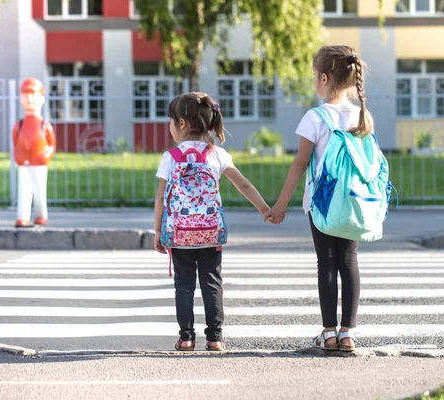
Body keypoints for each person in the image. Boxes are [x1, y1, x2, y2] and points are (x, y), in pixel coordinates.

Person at [264, 45, 375, 352]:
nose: (314, 80)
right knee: (349, 261)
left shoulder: (316, 117)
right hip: (353, 202)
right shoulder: (362, 116)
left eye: (315, 75)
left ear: (325, 78)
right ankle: (348, 333)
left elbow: (300, 164)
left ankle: (328, 333)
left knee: (326, 263)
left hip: (322, 205)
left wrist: (280, 205)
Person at [153, 92, 277, 351]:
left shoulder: (171, 157)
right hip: (210, 233)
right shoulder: (217, 154)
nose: (169, 126)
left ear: (183, 123)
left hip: (180, 234)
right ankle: (215, 337)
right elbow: (242, 184)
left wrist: (157, 232)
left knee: (184, 286)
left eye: (171, 121)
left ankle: (186, 337)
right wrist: (265, 209)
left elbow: (160, 198)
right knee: (212, 283)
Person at [12, 78, 56, 228]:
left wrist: (46, 156)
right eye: (26, 95)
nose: (29, 99)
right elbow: (15, 144)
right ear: (21, 100)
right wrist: (18, 157)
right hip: (24, 164)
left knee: (39, 191)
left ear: (41, 99)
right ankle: (22, 216)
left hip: (39, 164)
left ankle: (41, 215)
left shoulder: (45, 125)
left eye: (33, 95)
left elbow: (52, 145)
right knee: (24, 190)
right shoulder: (19, 125)